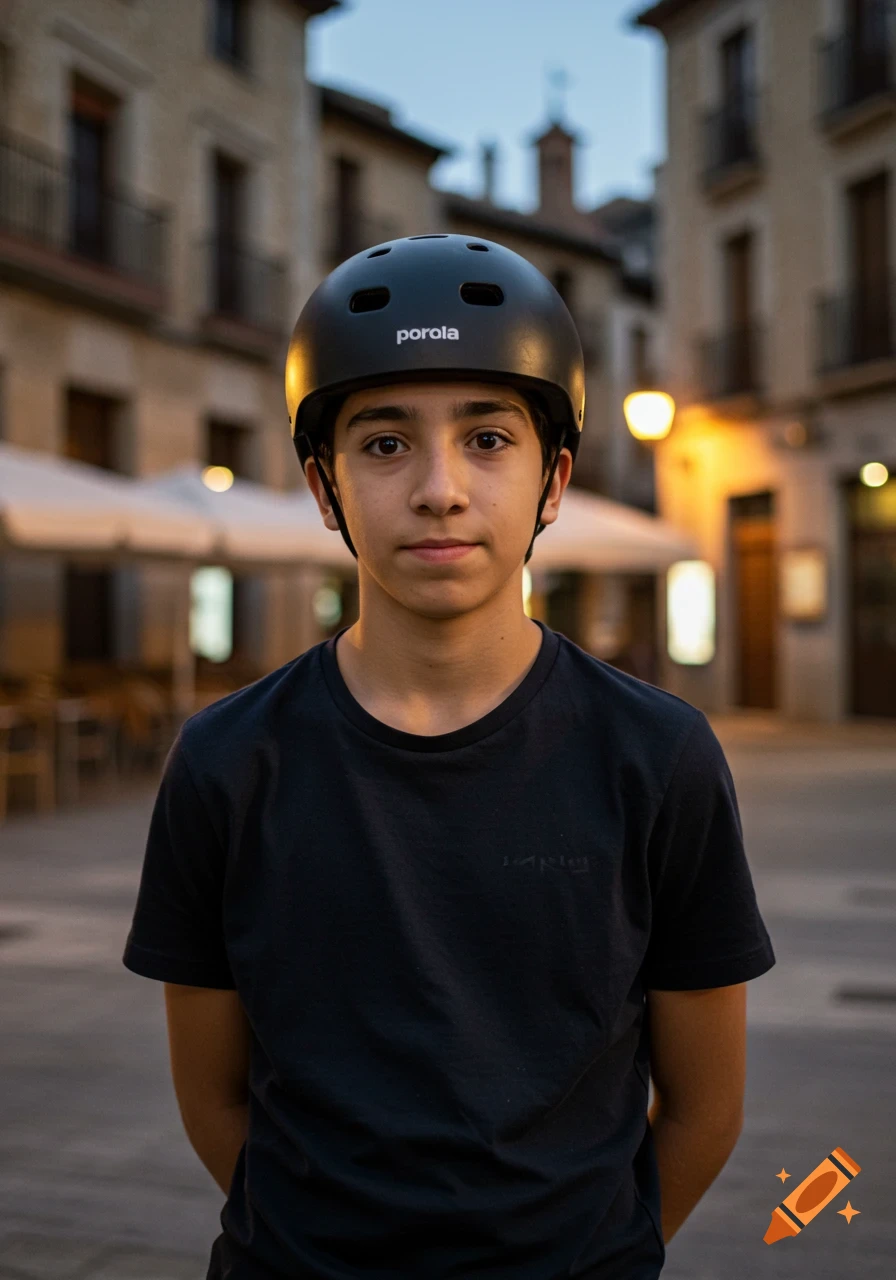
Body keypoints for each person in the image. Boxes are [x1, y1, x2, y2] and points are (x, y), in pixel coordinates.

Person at [123, 233, 776, 1280]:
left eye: (486, 438)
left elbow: (705, 1107)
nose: (438, 488)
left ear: (553, 475)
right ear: (324, 485)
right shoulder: (225, 761)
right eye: (383, 444)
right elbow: (212, 1097)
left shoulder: (657, 755)